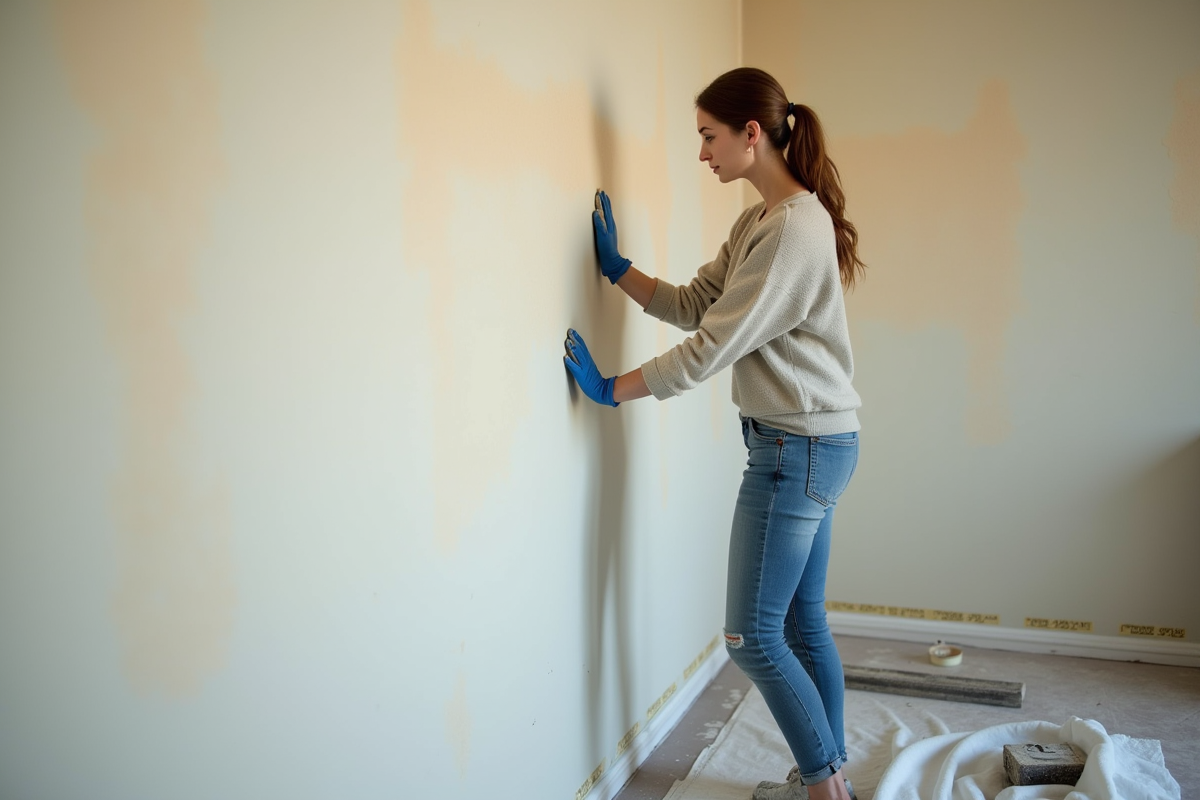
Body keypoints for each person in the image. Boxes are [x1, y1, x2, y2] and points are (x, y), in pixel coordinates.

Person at [563, 67, 864, 800]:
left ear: (750, 135)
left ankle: (824, 791)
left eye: (708, 136)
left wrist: (615, 391)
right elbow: (700, 303)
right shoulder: (763, 219)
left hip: (796, 449)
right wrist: (620, 271)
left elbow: (709, 349)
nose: (702, 154)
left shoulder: (794, 227)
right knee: (799, 625)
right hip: (813, 443)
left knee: (750, 637)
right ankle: (828, 776)